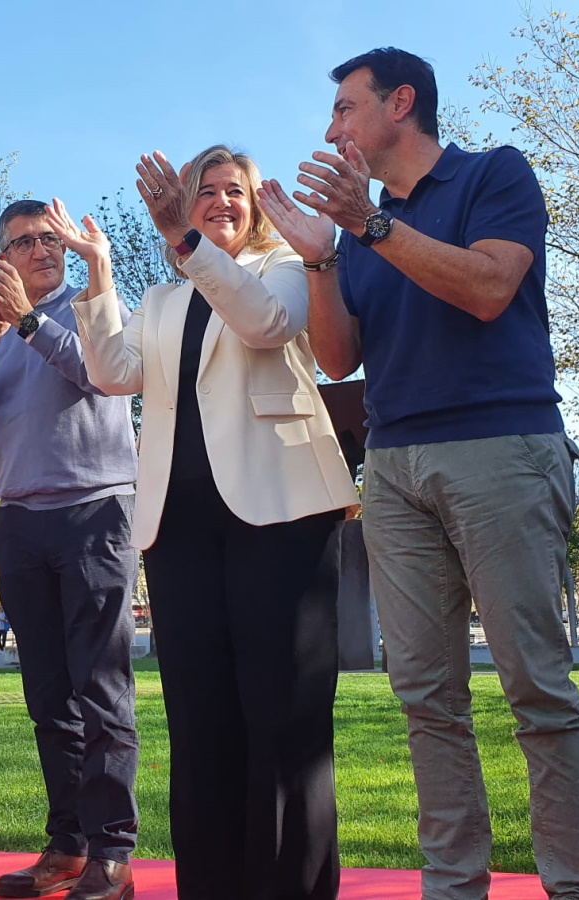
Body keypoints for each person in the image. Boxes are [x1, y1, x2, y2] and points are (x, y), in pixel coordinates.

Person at [256, 47, 579, 898]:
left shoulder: (494, 174)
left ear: (401, 103)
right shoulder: (360, 225)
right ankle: (454, 885)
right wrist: (321, 256)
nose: (331, 127)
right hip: (392, 465)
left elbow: (491, 287)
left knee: (538, 688)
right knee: (425, 697)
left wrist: (373, 229)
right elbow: (340, 360)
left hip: (501, 450)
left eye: (345, 108)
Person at [68, 145, 358, 900]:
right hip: (180, 528)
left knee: (284, 724)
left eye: (235, 192)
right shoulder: (162, 300)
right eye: (205, 193)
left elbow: (267, 325)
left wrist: (188, 246)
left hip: (283, 515)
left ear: (255, 203)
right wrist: (100, 273)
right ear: (183, 203)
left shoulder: (281, 265)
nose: (220, 202)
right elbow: (110, 372)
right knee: (201, 727)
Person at [0, 197, 141, 900]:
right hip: (20, 523)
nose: (42, 249)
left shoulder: (97, 302)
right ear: (4, 256)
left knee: (101, 690)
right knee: (49, 697)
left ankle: (113, 854)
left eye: (51, 238)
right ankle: (68, 844)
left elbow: (96, 372)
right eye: (24, 242)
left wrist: (27, 318)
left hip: (95, 514)